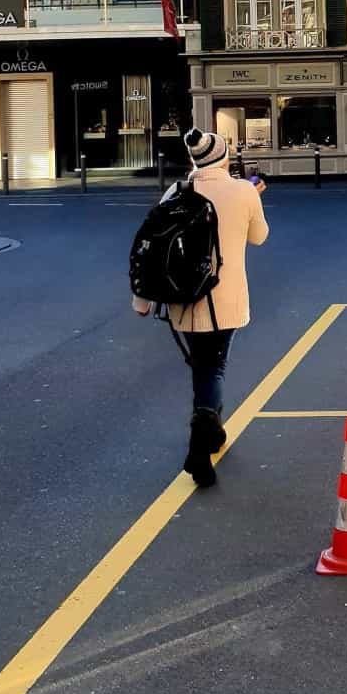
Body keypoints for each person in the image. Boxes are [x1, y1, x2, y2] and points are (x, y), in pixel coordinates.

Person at [135, 127, 268, 488]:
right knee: (214, 366)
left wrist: (142, 300)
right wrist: (252, 197)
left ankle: (212, 432)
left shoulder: (175, 192)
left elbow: (152, 248)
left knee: (203, 366)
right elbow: (259, 237)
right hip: (225, 300)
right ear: (224, 158)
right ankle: (200, 445)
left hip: (184, 300)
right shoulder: (242, 190)